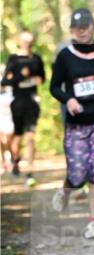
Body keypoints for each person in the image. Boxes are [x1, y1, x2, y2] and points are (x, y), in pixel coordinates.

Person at [49, 7, 94, 239]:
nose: (82, 32)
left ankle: (93, 222)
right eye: (77, 28)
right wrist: (68, 99)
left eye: (86, 27)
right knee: (78, 173)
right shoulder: (65, 56)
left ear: (92, 26)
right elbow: (54, 87)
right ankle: (66, 189)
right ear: (71, 30)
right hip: (76, 125)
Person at [0, 31, 46, 186]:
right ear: (19, 41)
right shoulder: (14, 59)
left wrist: (34, 78)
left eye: (30, 40)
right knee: (17, 137)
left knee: (31, 136)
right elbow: (5, 80)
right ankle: (15, 160)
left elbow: (42, 79)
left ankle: (30, 171)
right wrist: (21, 77)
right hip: (17, 102)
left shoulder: (36, 59)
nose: (27, 43)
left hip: (32, 102)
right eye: (24, 40)